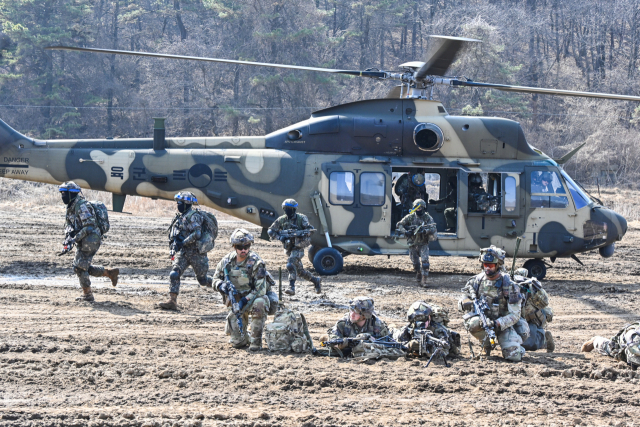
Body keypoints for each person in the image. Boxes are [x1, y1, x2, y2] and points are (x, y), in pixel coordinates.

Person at [460, 246, 526, 362]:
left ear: (498, 265)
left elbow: (515, 315)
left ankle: (519, 345)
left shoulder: (509, 286)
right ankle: (486, 345)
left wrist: (496, 323)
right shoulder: (476, 281)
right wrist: (465, 302)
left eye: (490, 265)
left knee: (514, 357)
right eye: (485, 264)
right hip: (484, 323)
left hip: (504, 325)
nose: (487, 268)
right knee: (472, 323)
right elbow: (462, 300)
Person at [58, 181, 119, 302]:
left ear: (71, 194)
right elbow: (70, 226)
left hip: (91, 238)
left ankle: (88, 295)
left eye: (64, 193)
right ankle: (109, 273)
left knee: (79, 268)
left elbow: (89, 226)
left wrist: (74, 239)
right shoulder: (71, 206)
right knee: (82, 266)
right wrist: (68, 241)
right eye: (61, 193)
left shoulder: (81, 206)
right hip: (85, 238)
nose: (62, 196)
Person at [213, 229, 270, 350]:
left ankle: (256, 342)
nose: (243, 250)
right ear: (234, 246)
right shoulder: (226, 262)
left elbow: (260, 289)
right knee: (238, 343)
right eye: (240, 247)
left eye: (247, 246)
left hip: (253, 298)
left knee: (260, 302)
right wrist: (220, 285)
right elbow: (215, 279)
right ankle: (245, 337)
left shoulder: (256, 262)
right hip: (236, 301)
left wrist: (245, 300)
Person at [159, 191, 215, 310]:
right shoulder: (180, 217)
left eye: (180, 203)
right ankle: (172, 301)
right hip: (184, 253)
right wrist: (175, 245)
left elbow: (197, 234)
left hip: (197, 253)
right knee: (174, 273)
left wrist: (183, 242)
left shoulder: (193, 216)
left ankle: (222, 287)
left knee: (203, 280)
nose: (178, 205)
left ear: (186, 204)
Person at [267, 198, 321, 296]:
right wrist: (280, 237)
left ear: (294, 209)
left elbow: (310, 229)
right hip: (288, 248)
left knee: (290, 264)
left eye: (290, 209)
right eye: (286, 208)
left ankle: (291, 287)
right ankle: (316, 280)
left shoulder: (301, 218)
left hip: (299, 246)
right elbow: (270, 230)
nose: (287, 210)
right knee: (300, 272)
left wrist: (299, 233)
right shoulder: (281, 220)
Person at [393, 301, 461, 358]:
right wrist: (409, 346)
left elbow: (444, 352)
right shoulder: (408, 328)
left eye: (423, 319)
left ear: (429, 317)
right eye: (416, 320)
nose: (420, 323)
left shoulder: (439, 330)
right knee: (393, 331)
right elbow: (397, 342)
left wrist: (426, 349)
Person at [512, 268, 555, 352]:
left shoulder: (531, 289)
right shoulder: (531, 288)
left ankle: (545, 341)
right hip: (525, 319)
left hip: (531, 320)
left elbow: (545, 306)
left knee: (529, 344)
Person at [396, 199, 437, 287]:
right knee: (416, 263)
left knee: (425, 262)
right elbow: (399, 224)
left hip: (423, 243)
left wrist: (425, 231)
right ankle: (418, 272)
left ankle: (424, 281)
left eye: (420, 208)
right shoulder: (410, 217)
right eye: (417, 208)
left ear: (423, 208)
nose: (418, 210)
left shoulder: (427, 218)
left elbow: (433, 228)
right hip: (413, 243)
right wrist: (406, 232)